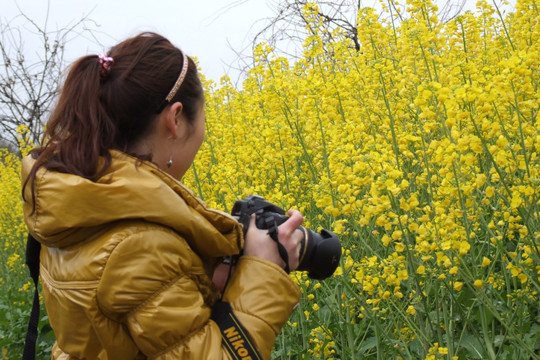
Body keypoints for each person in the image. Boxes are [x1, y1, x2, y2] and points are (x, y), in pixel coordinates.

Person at [22, 32, 304, 359]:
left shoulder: (78, 202)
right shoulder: (140, 245)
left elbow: (117, 331)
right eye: (202, 119)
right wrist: (262, 269)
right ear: (175, 119)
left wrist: (201, 281)